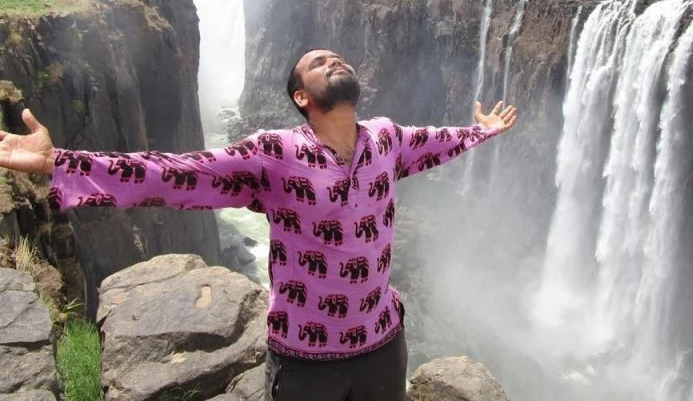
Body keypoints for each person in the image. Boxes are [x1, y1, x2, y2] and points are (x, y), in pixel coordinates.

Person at [0, 49, 517, 401]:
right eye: (317, 62)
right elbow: (178, 174)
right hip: (305, 355)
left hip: (382, 341)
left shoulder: (386, 138)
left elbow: (435, 141)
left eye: (337, 56)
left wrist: (482, 131)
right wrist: (58, 163)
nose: (333, 59)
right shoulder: (275, 153)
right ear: (302, 97)